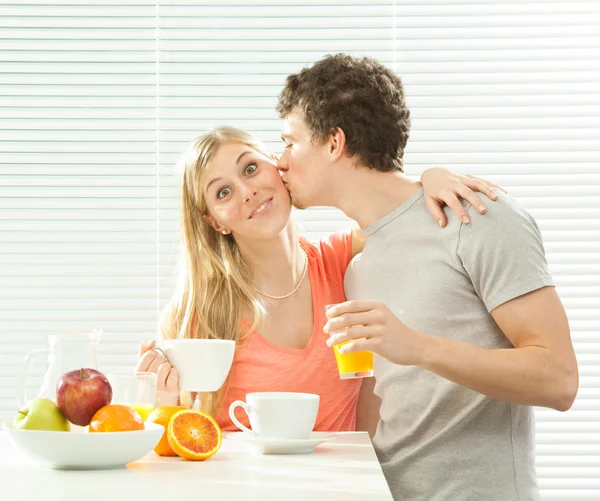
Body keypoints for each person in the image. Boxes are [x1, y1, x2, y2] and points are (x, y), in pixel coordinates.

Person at [275, 54, 578, 500]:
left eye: (290, 142)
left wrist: (417, 346)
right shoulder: (358, 261)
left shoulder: (474, 215)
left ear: (334, 143)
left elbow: (559, 379)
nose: (280, 161)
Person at [135, 126, 501, 433]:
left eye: (249, 169)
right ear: (215, 221)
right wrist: (161, 403)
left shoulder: (339, 260)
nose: (248, 192)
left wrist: (430, 177)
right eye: (223, 192)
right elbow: (185, 443)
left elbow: (399, 210)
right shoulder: (196, 315)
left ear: (277, 168)